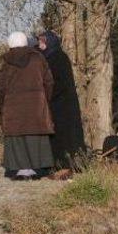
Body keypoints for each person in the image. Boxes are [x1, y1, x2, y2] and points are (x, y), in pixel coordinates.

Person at [0, 31, 55, 180]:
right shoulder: (38, 59)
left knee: (17, 137)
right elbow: (49, 82)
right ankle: (38, 169)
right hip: (36, 106)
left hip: (13, 107)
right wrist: (44, 98)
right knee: (35, 136)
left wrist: (1, 104)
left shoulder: (7, 63)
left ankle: (19, 169)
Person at [37, 30, 86, 178]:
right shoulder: (50, 57)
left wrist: (47, 93)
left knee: (63, 137)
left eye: (42, 42)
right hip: (56, 103)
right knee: (57, 137)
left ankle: (64, 167)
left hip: (62, 105)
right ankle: (58, 166)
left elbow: (58, 82)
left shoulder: (58, 58)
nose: (40, 45)